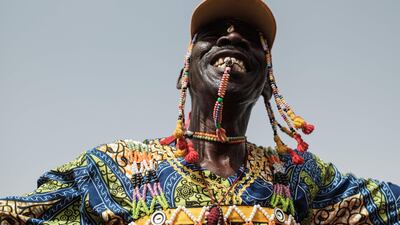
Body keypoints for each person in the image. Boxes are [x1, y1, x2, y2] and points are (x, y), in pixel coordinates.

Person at [1, 0, 399, 224]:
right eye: (214, 34)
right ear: (186, 72)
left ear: (268, 82)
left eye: (250, 38)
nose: (232, 37)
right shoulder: (112, 168)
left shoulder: (296, 175)